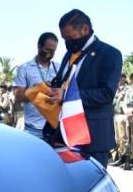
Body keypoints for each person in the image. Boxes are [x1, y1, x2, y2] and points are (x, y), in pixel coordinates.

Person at [44, 10, 123, 167]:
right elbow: (66, 84)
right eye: (64, 39)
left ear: (85, 30)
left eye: (70, 38)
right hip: (63, 135)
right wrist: (53, 88)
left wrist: (65, 94)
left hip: (91, 138)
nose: (68, 43)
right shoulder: (68, 54)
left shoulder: (109, 54)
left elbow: (106, 94)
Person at [14, 32, 60, 139]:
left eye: (53, 51)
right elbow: (18, 97)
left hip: (55, 127)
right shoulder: (25, 68)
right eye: (47, 50)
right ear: (39, 46)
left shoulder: (59, 68)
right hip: (33, 129)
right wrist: (39, 89)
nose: (50, 54)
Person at [112, 74, 129, 167]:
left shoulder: (128, 89)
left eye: (122, 77)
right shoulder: (116, 89)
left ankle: (125, 157)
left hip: (123, 115)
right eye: (119, 77)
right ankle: (119, 156)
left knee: (123, 138)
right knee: (117, 138)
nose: (120, 79)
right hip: (116, 114)